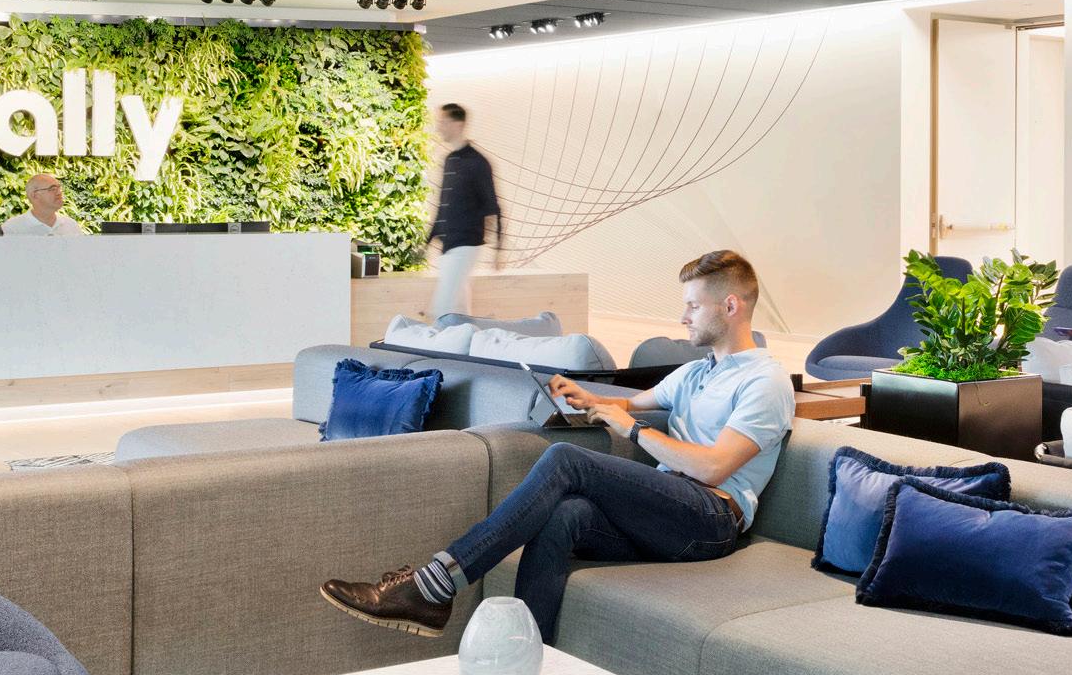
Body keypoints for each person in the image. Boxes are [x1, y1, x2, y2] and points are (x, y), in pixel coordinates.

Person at [321, 249, 794, 645]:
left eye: (693, 306)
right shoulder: (695, 372)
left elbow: (713, 469)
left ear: (730, 306)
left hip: (711, 518)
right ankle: (524, 656)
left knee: (566, 459)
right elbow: (631, 402)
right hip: (666, 508)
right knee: (563, 515)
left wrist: (630, 429)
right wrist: (585, 398)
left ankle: (435, 584)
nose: (682, 317)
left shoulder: (764, 381)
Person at [427, 102, 501, 319]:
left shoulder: (478, 162)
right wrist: (428, 240)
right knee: (458, 310)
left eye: (443, 122)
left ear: (458, 124)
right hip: (448, 246)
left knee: (442, 309)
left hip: (466, 244)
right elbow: (443, 205)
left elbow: (493, 206)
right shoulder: (450, 160)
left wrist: (499, 250)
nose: (439, 127)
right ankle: (467, 337)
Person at [1, 173, 86, 237]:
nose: (59, 192)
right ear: (35, 195)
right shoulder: (13, 229)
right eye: (52, 189)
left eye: (59, 188)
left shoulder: (71, 225)